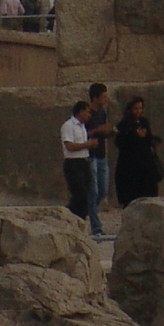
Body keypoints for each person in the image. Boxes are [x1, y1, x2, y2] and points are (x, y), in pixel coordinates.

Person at [114, 94, 163, 206]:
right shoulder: (124, 124)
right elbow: (119, 142)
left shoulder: (143, 122)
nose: (138, 111)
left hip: (145, 165)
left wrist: (153, 140)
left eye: (140, 108)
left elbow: (148, 138)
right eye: (136, 108)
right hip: (129, 166)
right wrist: (134, 135)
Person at [60, 99, 97, 233]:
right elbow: (69, 146)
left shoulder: (82, 127)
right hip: (73, 163)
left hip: (84, 162)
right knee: (79, 195)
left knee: (86, 196)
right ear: (80, 111)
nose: (89, 115)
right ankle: (65, 217)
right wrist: (86, 145)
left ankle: (79, 223)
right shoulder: (68, 126)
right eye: (87, 112)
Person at [83, 84, 116, 229]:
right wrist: (98, 129)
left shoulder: (102, 112)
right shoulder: (86, 113)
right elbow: (82, 135)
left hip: (101, 154)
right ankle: (96, 226)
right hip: (90, 155)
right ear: (95, 97)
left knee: (102, 190)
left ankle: (84, 211)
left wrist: (110, 131)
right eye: (103, 96)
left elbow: (103, 133)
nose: (105, 99)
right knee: (93, 190)